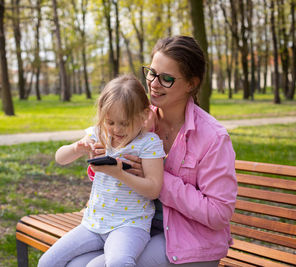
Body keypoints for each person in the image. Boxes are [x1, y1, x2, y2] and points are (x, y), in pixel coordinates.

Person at [66, 36, 237, 267]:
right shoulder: (139, 119)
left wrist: (157, 180)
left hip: (189, 239)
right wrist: (100, 159)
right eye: (152, 73)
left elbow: (219, 214)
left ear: (191, 83)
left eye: (166, 78)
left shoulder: (213, 137)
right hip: (135, 225)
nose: (154, 84)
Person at [38, 74, 165, 267]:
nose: (116, 130)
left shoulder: (148, 144)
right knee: (47, 262)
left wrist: (119, 173)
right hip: (93, 224)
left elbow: (153, 189)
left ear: (143, 116)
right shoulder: (99, 135)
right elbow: (60, 158)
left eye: (124, 123)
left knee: (119, 262)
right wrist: (76, 148)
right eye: (110, 122)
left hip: (130, 226)